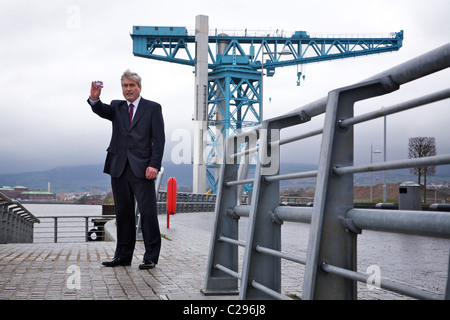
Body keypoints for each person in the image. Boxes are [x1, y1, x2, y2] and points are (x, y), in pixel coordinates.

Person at [87, 69, 165, 269]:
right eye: (125, 86)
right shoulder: (117, 106)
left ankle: (150, 257)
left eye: (131, 85)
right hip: (119, 167)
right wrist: (94, 99)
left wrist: (154, 165)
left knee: (147, 214)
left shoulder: (153, 108)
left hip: (143, 169)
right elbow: (101, 110)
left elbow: (159, 140)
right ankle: (122, 256)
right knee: (123, 214)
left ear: (139, 87)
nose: (128, 89)